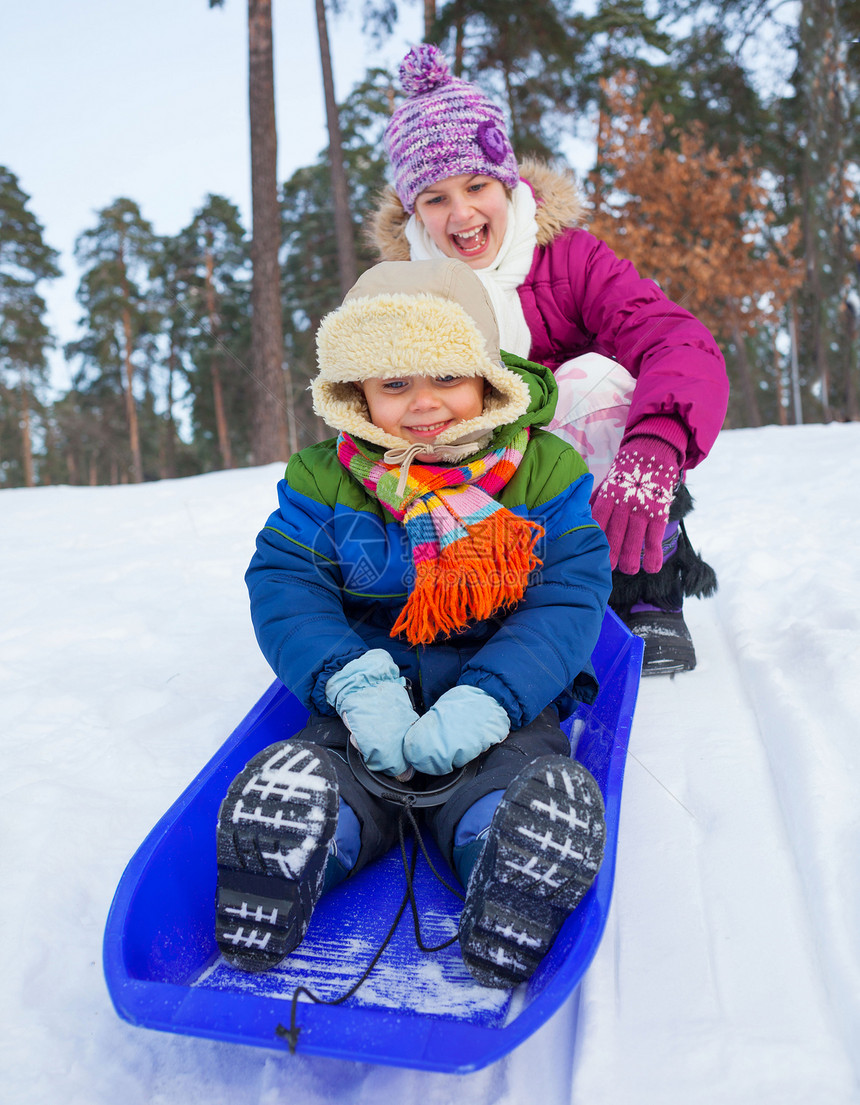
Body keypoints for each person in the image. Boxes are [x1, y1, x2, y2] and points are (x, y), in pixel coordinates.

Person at [215, 258, 612, 989]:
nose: (423, 404)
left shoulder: (542, 472)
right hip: (371, 684)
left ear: (489, 379)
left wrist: (495, 693)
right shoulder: (323, 478)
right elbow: (286, 581)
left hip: (501, 687)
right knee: (337, 761)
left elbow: (568, 591)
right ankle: (304, 836)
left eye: (447, 378)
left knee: (511, 766)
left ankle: (503, 850)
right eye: (394, 383)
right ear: (356, 390)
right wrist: (351, 677)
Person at [367, 43, 729, 676]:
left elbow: (672, 338)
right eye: (435, 198)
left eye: (477, 186)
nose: (462, 214)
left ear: (507, 182)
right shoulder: (403, 289)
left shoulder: (571, 258)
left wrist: (660, 441)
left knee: (596, 379)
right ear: (412, 211)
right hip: (471, 472)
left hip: (578, 463)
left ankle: (648, 589)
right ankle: (493, 606)